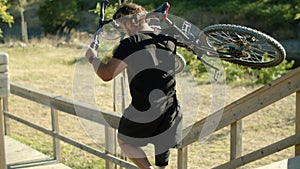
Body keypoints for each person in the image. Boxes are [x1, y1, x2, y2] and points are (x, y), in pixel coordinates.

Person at [85, 2, 182, 169]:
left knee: (124, 140)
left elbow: (107, 74)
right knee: (162, 156)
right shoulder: (168, 39)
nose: (122, 30)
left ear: (129, 22)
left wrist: (93, 57)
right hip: (171, 110)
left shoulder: (131, 43)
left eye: (122, 25)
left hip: (144, 109)